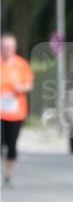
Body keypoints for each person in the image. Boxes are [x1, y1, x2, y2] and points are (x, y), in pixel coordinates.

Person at [1, 33, 34, 188]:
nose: (6, 50)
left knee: (12, 146)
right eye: (4, 47)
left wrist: (19, 88)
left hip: (15, 113)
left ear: (14, 48)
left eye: (9, 47)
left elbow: (29, 85)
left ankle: (7, 176)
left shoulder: (21, 65)